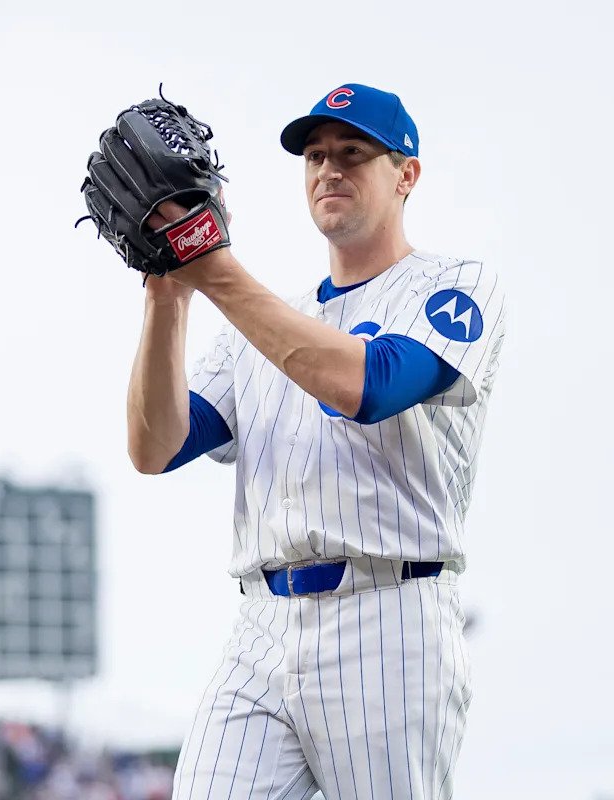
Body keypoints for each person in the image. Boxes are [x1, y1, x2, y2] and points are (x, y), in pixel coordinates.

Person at [126, 84, 505, 799]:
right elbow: (155, 447)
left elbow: (372, 387)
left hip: (390, 617)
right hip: (263, 620)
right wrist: (168, 293)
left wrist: (213, 269)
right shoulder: (264, 318)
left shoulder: (457, 283)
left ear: (406, 175)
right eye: (315, 156)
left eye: (353, 154)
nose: (328, 168)